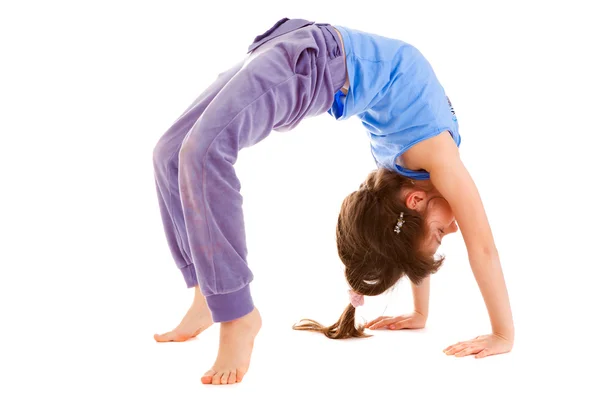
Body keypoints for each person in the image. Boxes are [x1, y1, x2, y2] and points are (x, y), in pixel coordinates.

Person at [152, 17, 514, 385]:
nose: (452, 229)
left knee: (185, 154)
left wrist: (420, 313)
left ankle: (218, 302)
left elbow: (408, 238)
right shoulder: (440, 158)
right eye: (440, 234)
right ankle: (225, 305)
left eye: (439, 233)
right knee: (185, 153)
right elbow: (482, 248)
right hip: (312, 56)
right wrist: (503, 334)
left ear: (415, 200)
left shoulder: (404, 172)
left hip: (307, 57)